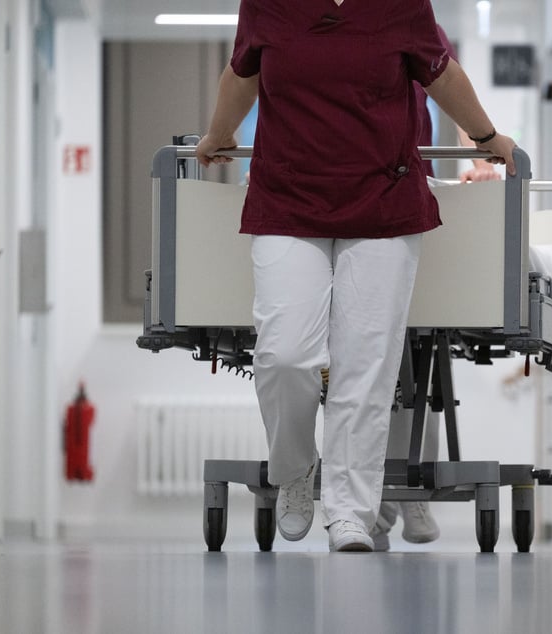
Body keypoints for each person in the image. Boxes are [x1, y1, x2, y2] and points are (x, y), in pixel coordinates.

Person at [197, 0, 516, 552]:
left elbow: (441, 73)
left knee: (365, 366)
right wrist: (216, 134)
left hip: (384, 200)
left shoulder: (403, 5)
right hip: (288, 198)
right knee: (284, 355)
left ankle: (350, 511)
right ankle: (294, 472)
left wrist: (487, 137)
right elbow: (243, 72)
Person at [371, 24, 501, 552]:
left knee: (415, 355)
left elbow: (450, 86)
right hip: (336, 193)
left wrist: (481, 159)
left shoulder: (409, 18)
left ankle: (406, 493)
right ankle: (373, 500)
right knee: (359, 365)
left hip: (403, 185)